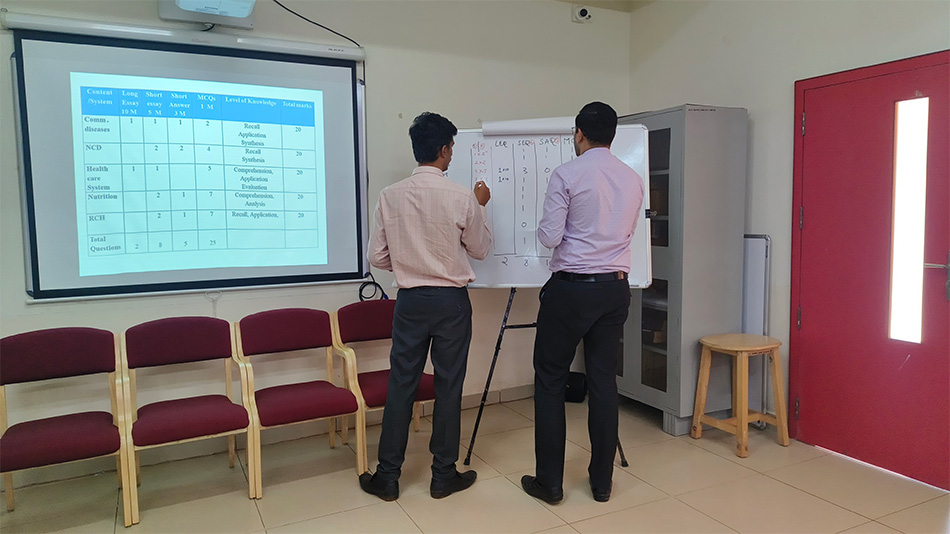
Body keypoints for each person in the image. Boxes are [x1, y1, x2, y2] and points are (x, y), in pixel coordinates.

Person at [360, 112, 492, 501]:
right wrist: (481, 206)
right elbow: (481, 249)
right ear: (444, 149)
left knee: (401, 383)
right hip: (451, 303)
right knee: (449, 385)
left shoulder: (390, 195)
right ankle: (443, 475)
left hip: (410, 302)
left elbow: (377, 257)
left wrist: (408, 261)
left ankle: (387, 476)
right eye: (451, 147)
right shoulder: (462, 197)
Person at [521, 102, 644, 504]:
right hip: (614, 289)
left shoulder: (567, 174)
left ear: (579, 133)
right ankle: (602, 483)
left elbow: (550, 237)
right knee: (604, 382)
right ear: (613, 135)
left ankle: (550, 483)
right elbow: (629, 231)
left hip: (571, 290)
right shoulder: (632, 178)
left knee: (550, 379)